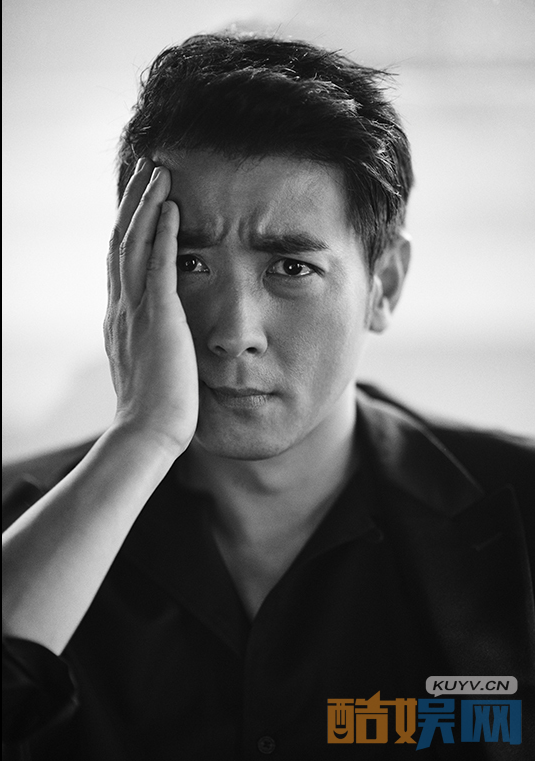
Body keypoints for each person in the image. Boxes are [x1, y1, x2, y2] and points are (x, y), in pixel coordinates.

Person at [2, 32, 534, 761]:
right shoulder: (22, 529)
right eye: (188, 262)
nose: (232, 333)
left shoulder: (520, 515)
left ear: (383, 285)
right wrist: (142, 438)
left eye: (290, 267)